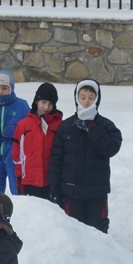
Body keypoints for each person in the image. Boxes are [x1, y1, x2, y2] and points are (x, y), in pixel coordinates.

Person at [47, 80, 123, 233]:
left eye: (91, 97)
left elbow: (111, 149)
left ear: (97, 98)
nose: (87, 101)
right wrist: (54, 187)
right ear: (77, 98)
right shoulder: (67, 126)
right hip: (71, 192)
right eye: (83, 97)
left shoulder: (106, 125)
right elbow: (56, 159)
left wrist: (92, 127)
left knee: (98, 232)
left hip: (97, 192)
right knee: (74, 232)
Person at [0, 69, 30, 194]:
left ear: (11, 88)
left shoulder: (21, 106)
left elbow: (30, 128)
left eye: (4, 88)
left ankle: (20, 210)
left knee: (17, 187)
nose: (0, 92)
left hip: (14, 152)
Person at [12, 83, 63, 199]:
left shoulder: (59, 125)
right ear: (36, 101)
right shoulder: (24, 125)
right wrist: (19, 176)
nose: (46, 108)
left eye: (50, 104)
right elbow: (17, 154)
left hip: (51, 180)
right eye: (43, 102)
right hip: (29, 180)